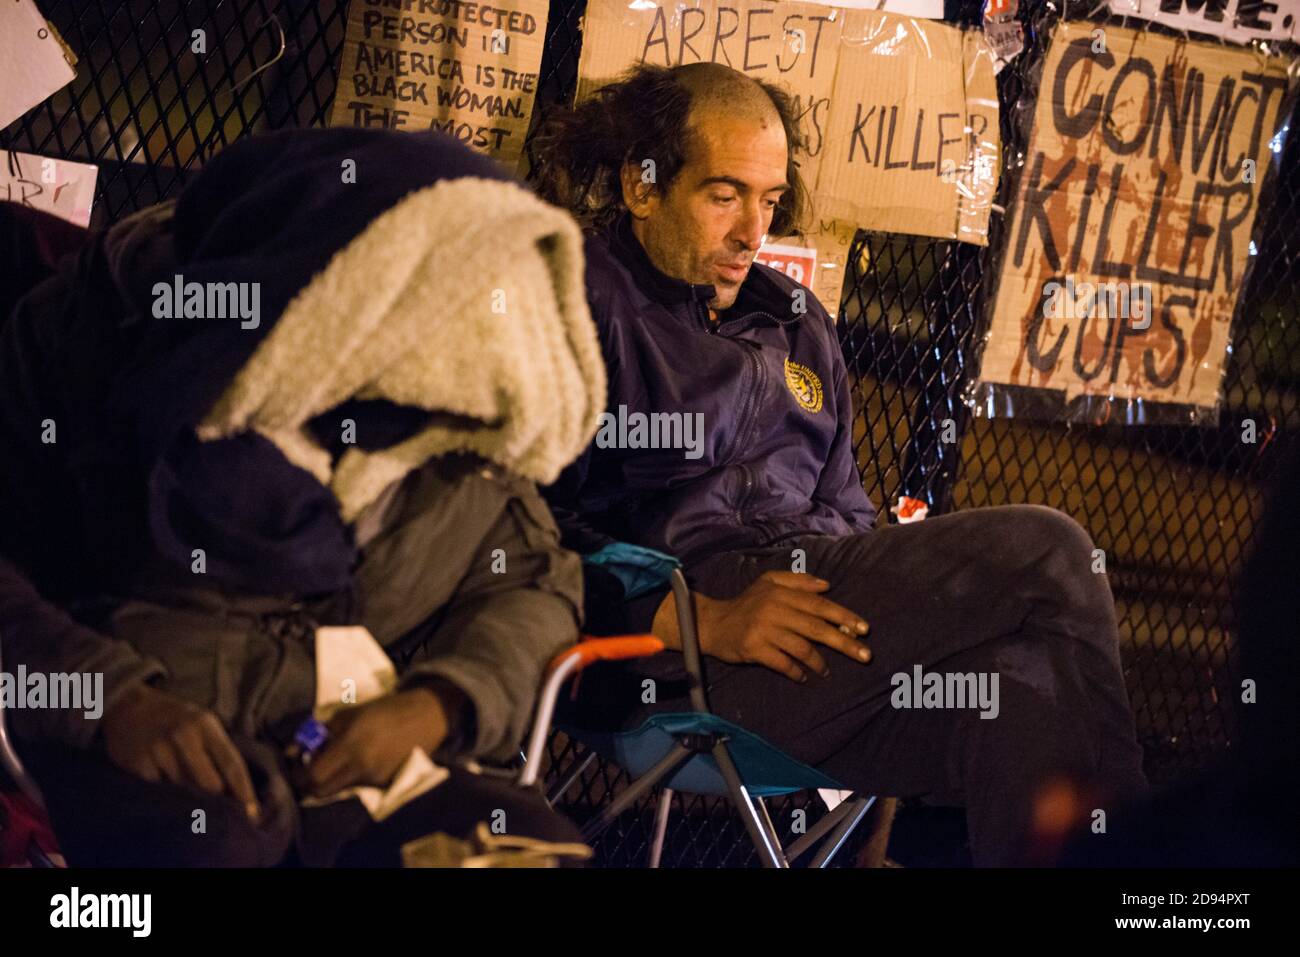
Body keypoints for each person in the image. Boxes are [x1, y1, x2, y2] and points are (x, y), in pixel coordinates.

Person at [531, 62, 1149, 866]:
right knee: (1053, 550)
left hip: (821, 632)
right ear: (642, 187)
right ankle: (1159, 876)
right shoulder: (580, 299)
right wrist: (705, 621)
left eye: (769, 200)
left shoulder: (793, 319)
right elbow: (523, 539)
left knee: (1019, 689)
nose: (752, 230)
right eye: (723, 195)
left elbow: (848, 512)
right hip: (689, 655)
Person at [0, 128, 604, 866]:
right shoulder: (90, 348)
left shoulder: (461, 414)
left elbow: (531, 579)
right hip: (128, 730)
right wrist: (113, 701)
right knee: (219, 842)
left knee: (527, 851)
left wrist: (440, 702)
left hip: (346, 741)